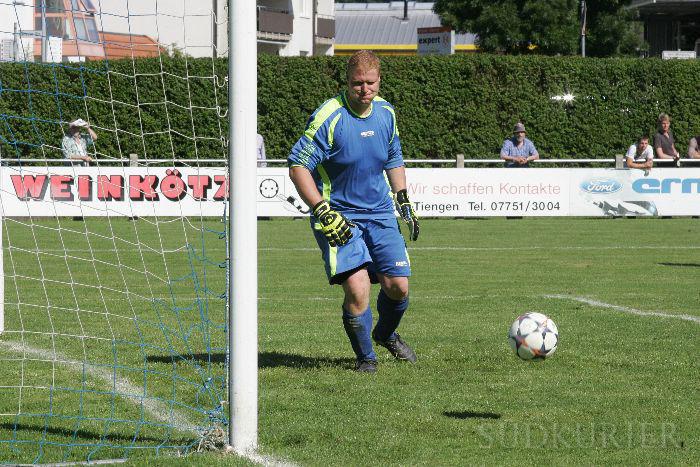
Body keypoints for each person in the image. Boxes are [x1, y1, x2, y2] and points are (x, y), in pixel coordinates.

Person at [287, 50, 419, 373]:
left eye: (370, 82)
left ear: (379, 81)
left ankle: (385, 334)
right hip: (339, 217)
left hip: (380, 213)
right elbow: (297, 166)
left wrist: (402, 197)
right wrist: (320, 209)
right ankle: (366, 360)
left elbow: (393, 156)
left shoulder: (386, 113)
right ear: (347, 82)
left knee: (398, 286)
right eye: (357, 83)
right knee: (358, 288)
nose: (364, 89)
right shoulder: (329, 116)